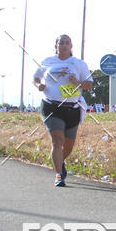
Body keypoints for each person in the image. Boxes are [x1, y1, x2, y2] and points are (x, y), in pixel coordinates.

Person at [34, 35, 93, 187]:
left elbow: (89, 84)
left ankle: (60, 162)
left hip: (72, 108)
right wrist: (38, 85)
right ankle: (59, 175)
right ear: (56, 46)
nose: (64, 46)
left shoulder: (78, 64)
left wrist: (78, 82)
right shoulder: (47, 62)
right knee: (57, 140)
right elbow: (36, 78)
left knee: (68, 146)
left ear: (71, 46)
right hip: (51, 106)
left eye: (67, 43)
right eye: (61, 43)